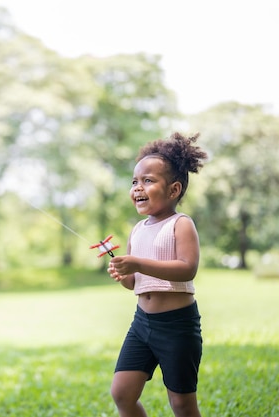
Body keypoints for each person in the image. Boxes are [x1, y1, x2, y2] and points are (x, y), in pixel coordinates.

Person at [107, 132, 208, 417]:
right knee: (122, 393)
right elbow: (134, 283)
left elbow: (187, 269)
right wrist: (123, 271)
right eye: (134, 182)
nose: (138, 188)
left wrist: (137, 263)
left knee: (181, 403)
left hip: (177, 326)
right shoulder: (137, 230)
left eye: (148, 181)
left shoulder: (180, 224)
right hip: (141, 324)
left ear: (174, 190)